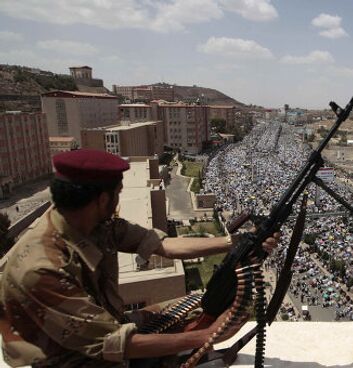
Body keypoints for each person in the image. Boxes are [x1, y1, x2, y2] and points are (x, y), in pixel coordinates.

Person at [0, 149, 280, 367]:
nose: (118, 202)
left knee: (196, 306)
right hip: (65, 358)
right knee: (194, 337)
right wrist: (206, 337)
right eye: (116, 195)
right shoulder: (40, 267)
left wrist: (232, 242)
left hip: (104, 325)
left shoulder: (91, 223)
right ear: (100, 199)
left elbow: (162, 245)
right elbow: (111, 343)